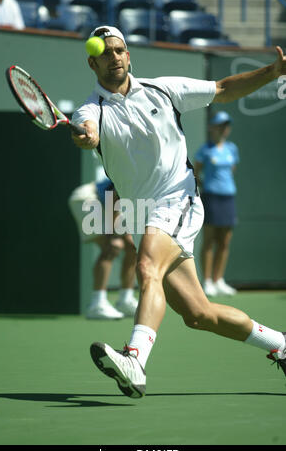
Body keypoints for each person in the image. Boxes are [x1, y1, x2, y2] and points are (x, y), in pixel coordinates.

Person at [71, 25, 286, 398]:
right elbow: (85, 128)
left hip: (178, 200)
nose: (115, 57)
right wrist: (86, 135)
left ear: (128, 54)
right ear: (92, 62)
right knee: (198, 314)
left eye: (119, 50)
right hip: (141, 216)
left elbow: (222, 90)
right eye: (105, 53)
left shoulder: (163, 89)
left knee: (146, 267)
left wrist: (272, 72)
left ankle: (135, 359)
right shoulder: (90, 110)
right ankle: (281, 344)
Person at [68, 174, 138, 319]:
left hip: (104, 202)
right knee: (111, 247)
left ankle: (125, 299)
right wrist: (114, 234)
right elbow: (113, 196)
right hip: (88, 198)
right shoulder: (139, 172)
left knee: (132, 247)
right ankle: (97, 305)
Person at [194, 111, 239, 297]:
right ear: (212, 128)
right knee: (209, 241)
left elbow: (232, 170)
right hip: (211, 198)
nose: (224, 129)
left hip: (228, 197)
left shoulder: (232, 149)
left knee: (224, 241)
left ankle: (219, 279)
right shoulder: (205, 149)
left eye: (226, 125)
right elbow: (196, 173)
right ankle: (207, 281)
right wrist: (208, 187)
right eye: (220, 125)